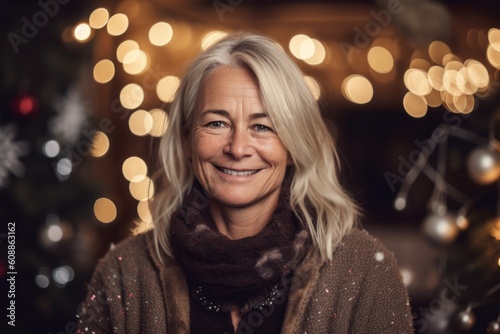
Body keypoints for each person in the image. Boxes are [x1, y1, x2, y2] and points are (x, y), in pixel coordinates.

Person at [77, 33, 413, 333]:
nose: (237, 148)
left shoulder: (365, 273)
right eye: (217, 123)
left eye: (262, 127)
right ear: (185, 141)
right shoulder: (126, 273)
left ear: (295, 146)